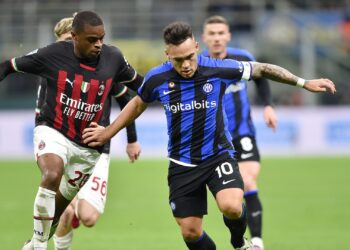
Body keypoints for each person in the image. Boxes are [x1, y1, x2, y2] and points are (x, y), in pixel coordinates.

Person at [82, 21, 335, 250]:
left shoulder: (218, 68)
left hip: (218, 155)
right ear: (167, 54)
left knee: (232, 206)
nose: (186, 65)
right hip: (182, 163)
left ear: (196, 46)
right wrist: (108, 133)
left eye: (190, 57)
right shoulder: (157, 78)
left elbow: (262, 69)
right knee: (190, 232)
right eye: (179, 60)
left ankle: (239, 243)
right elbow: (137, 104)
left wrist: (304, 83)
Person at [0, 10, 144, 250]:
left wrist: (173, 91)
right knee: (52, 175)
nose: (98, 44)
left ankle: (42, 238)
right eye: (92, 39)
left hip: (91, 147)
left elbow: (139, 88)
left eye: (101, 38)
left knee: (67, 214)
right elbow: (9, 66)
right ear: (74, 37)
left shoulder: (112, 59)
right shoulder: (51, 57)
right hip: (54, 131)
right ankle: (38, 245)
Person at [201, 15, 276, 250]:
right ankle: (239, 237)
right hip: (213, 140)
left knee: (249, 181)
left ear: (228, 36)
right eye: (211, 34)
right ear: (204, 38)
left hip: (243, 132)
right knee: (230, 199)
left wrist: (268, 105)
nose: (216, 38)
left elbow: (262, 77)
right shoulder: (198, 64)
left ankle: (257, 242)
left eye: (220, 33)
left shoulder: (242, 58)